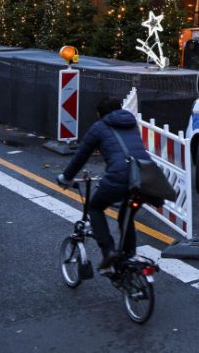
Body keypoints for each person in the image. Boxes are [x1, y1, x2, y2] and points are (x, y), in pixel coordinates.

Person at [58, 96, 153, 271]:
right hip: (145, 177)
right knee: (126, 215)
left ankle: (108, 251)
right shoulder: (131, 123)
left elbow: (81, 156)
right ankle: (129, 257)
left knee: (95, 207)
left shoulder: (99, 127)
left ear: (100, 114)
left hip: (120, 177)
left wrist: (66, 177)